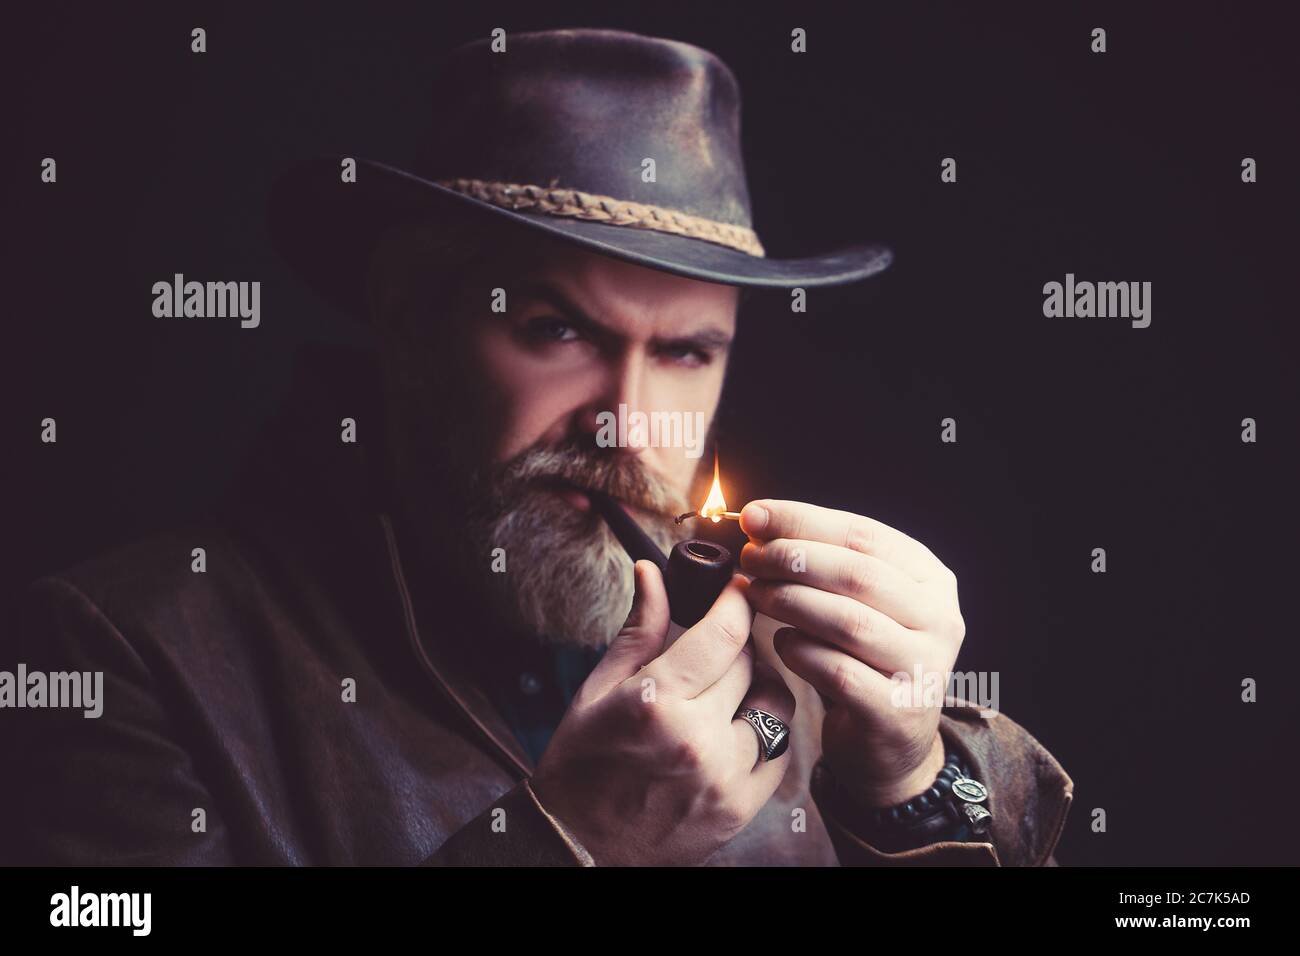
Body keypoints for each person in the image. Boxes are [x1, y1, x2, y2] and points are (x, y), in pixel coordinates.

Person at [5, 28, 1071, 866]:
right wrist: (570, 841)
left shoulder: (796, 675)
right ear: (407, 321)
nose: (629, 416)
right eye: (557, 329)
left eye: (690, 352)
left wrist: (913, 780)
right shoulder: (122, 657)